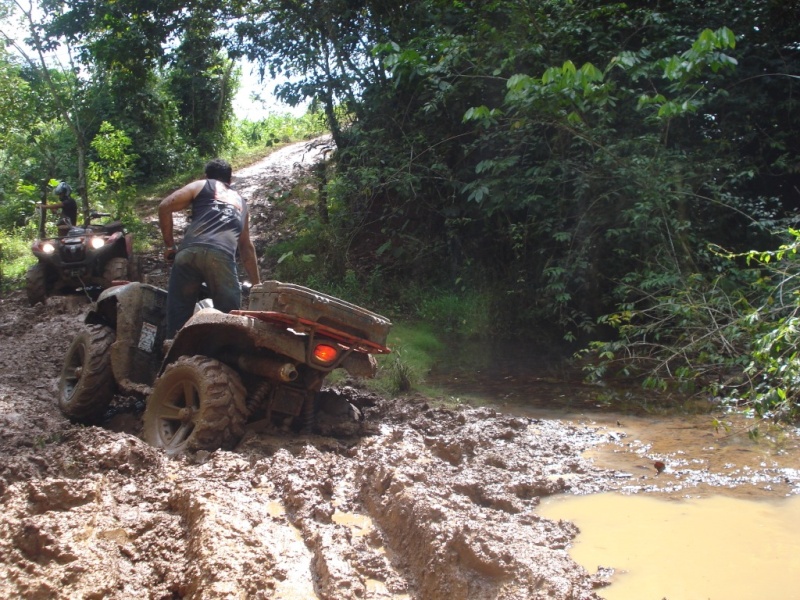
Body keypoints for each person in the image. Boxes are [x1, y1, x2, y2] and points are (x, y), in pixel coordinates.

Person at [159, 158, 261, 338]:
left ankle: (172, 353)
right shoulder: (241, 203)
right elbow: (246, 247)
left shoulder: (201, 185)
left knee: (179, 313)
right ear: (230, 181)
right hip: (221, 258)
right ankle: (225, 356)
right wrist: (257, 284)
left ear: (207, 176)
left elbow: (165, 205)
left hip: (188, 253)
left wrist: (170, 246)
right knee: (229, 318)